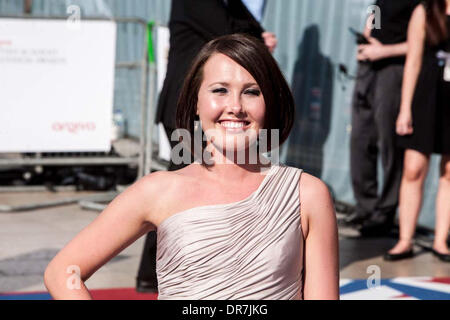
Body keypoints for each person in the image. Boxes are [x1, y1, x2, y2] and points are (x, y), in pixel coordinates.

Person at [44, 34, 339, 300]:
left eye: (252, 92)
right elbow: (63, 273)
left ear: (271, 103)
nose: (235, 106)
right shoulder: (159, 190)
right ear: (196, 102)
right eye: (220, 90)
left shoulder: (307, 194)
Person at [138, 0, 277, 293]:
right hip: (187, 110)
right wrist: (259, 42)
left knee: (189, 181)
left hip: (203, 111)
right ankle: (154, 272)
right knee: (184, 184)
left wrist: (259, 37)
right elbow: (229, 33)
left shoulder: (230, 4)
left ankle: (155, 273)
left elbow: (248, 26)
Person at [347, 0, 421, 237]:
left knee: (388, 143)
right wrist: (366, 40)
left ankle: (384, 213)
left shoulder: (421, 5)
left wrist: (384, 51)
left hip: (394, 68)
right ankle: (365, 207)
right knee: (360, 139)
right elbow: (374, 17)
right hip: (369, 66)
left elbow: (423, 44)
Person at [385, 0, 450, 262]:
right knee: (413, 169)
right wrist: (405, 108)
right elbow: (412, 61)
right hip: (425, 97)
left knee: (449, 173)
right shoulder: (424, 10)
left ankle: (440, 241)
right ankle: (405, 240)